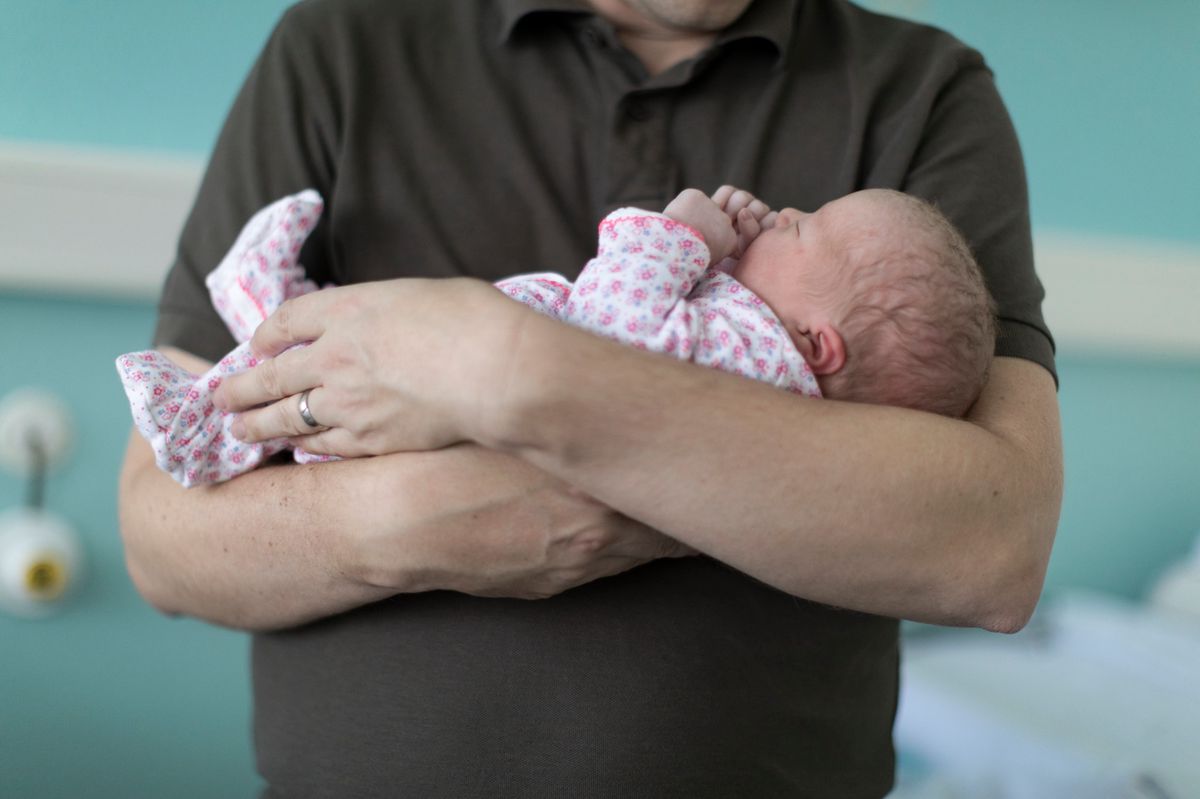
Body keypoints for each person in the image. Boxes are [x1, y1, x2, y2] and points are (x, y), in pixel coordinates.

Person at [118, 1, 1062, 796]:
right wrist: (408, 518)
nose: (780, 223)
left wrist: (492, 364)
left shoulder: (918, 91)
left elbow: (988, 550)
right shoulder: (345, 42)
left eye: (802, 227)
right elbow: (163, 540)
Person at [121, 183, 991, 487]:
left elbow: (611, 342)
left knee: (322, 379)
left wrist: (681, 230)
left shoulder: (754, 363)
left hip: (444, 421)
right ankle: (273, 302)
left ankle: (200, 425)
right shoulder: (763, 368)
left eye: (809, 229)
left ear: (816, 345)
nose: (789, 210)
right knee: (358, 336)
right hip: (454, 394)